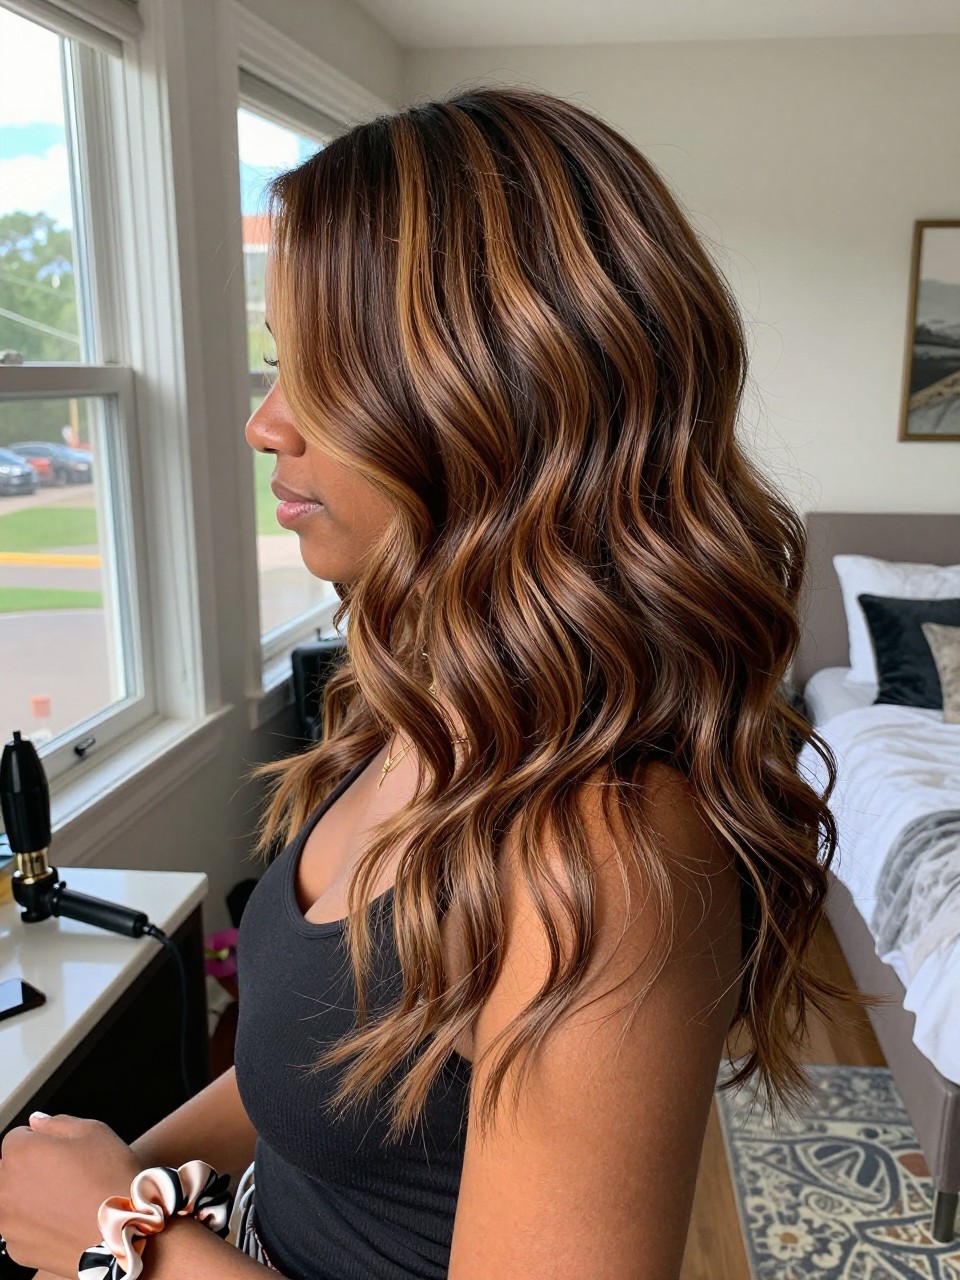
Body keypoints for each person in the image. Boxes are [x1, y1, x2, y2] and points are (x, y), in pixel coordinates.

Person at [2, 85, 862, 1280]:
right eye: (273, 362)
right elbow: (321, 1073)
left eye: (324, 373)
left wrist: (119, 1242)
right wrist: (122, 1182)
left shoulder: (604, 849)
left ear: (511, 398)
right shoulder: (420, 710)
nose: (264, 422)